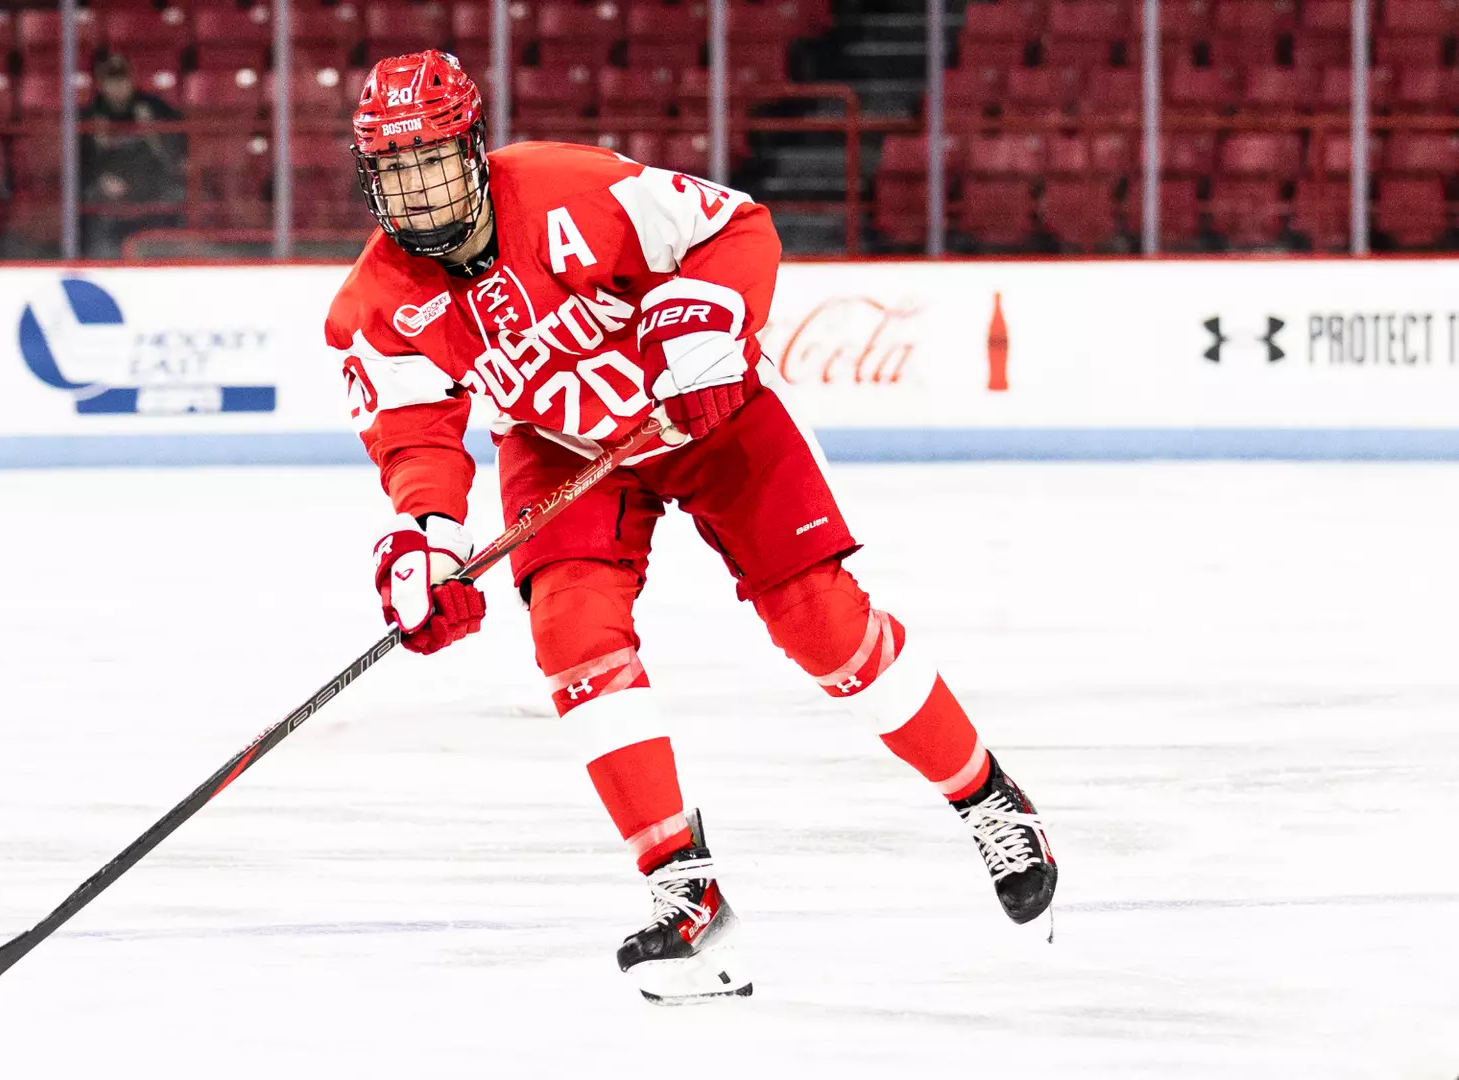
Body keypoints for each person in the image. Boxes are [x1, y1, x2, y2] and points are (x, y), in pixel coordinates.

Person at [326, 51, 1058, 1004]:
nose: (419, 195)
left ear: (473, 145)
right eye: (396, 173)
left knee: (820, 624)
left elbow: (736, 227)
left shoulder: (571, 187)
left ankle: (988, 798)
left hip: (705, 410)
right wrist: (428, 540)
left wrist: (701, 326)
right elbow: (416, 433)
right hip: (560, 448)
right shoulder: (375, 306)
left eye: (433, 162)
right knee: (573, 637)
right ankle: (689, 899)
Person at [80, 53, 184, 258]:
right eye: (112, 80)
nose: (118, 86)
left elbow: (180, 144)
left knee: (177, 196)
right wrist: (100, 178)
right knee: (89, 200)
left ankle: (167, 258)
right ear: (102, 84)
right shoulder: (91, 115)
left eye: (123, 79)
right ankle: (99, 262)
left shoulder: (154, 107)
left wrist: (154, 133)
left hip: (152, 184)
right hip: (108, 190)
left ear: (131, 81)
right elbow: (79, 162)